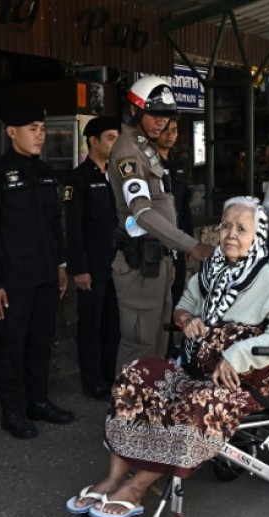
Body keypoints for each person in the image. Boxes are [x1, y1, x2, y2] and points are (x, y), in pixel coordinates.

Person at [65, 197, 269, 517]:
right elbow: (183, 306)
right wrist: (187, 319)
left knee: (194, 402)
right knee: (134, 376)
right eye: (226, 226)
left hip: (240, 381)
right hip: (195, 368)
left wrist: (237, 354)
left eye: (241, 229)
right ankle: (115, 477)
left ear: (257, 235)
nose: (231, 234)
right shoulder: (211, 267)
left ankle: (136, 487)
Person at [0, 103, 74, 439]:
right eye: (33, 129)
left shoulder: (45, 172)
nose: (40, 135)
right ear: (11, 132)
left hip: (44, 274)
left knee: (42, 342)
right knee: (11, 346)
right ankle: (12, 411)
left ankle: (38, 402)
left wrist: (60, 264)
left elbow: (54, 224)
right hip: (13, 278)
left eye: (42, 129)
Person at [108, 76, 214, 366]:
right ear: (135, 111)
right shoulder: (129, 151)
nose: (161, 123)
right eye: (154, 115)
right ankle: (127, 398)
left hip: (157, 262)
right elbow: (142, 212)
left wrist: (170, 257)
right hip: (139, 265)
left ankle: (149, 397)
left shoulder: (145, 146)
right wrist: (192, 246)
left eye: (166, 116)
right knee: (139, 349)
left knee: (157, 344)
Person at [63, 116, 122, 401]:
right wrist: (79, 269)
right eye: (110, 138)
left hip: (116, 265)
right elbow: (73, 227)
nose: (115, 143)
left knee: (113, 325)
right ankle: (93, 381)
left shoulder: (117, 175)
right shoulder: (78, 178)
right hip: (92, 267)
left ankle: (111, 376)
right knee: (91, 326)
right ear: (93, 141)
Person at [155, 117, 194, 309]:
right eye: (166, 130)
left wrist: (189, 241)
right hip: (156, 241)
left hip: (177, 241)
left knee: (177, 293)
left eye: (174, 130)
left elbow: (184, 206)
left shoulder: (176, 165)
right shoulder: (147, 164)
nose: (170, 135)